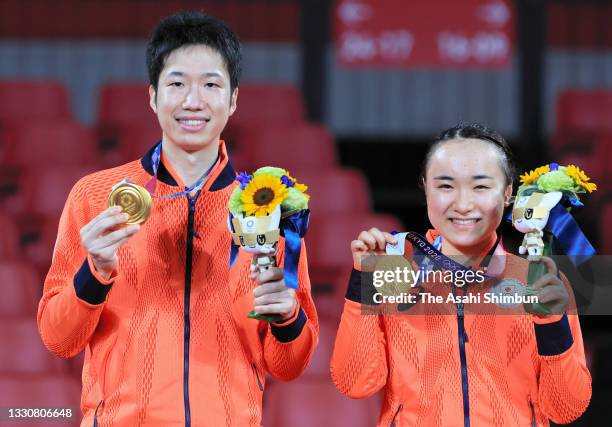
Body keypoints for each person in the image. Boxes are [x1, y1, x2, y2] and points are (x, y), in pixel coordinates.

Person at [37, 11, 318, 427]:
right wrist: (94, 273)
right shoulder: (96, 197)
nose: (193, 101)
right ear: (152, 96)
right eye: (176, 83)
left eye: (210, 84)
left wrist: (287, 318)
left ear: (234, 98)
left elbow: (288, 366)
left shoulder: (268, 208)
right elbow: (59, 340)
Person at [330, 123, 591, 426]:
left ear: (507, 193)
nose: (463, 204)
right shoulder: (397, 272)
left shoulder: (542, 282)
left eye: (480, 186)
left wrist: (551, 324)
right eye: (445, 186)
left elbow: (567, 408)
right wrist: (364, 282)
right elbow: (354, 382)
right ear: (425, 187)